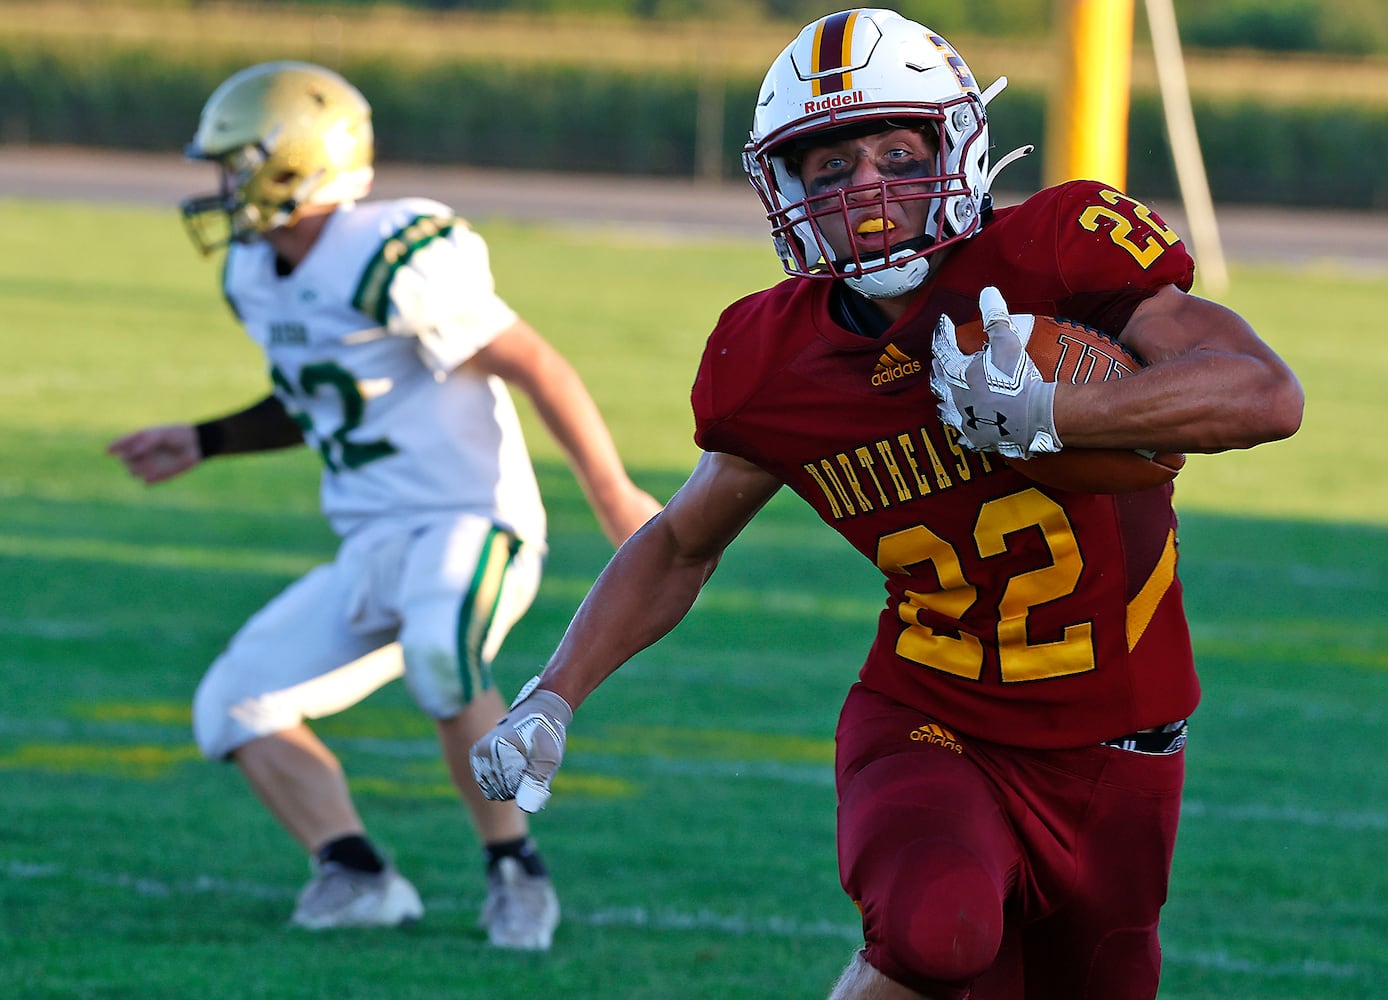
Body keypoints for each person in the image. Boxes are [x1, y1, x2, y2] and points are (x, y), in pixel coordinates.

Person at [469, 8, 1303, 998]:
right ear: (785, 190)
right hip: (932, 717)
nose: (864, 188)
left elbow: (1262, 392)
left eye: (896, 153)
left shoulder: (1054, 257)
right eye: (828, 168)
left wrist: (1058, 409)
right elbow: (682, 541)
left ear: (957, 147)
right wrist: (555, 692)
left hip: (1119, 753)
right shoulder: (771, 357)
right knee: (934, 924)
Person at [107, 60, 660, 948]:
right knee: (234, 702)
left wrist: (611, 493)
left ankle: (515, 871)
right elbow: (326, 392)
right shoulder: (258, 270)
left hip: (473, 520)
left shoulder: (390, 253)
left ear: (297, 161)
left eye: (238, 164)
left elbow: (533, 362)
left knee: (442, 652)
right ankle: (356, 873)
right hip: (371, 537)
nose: (223, 188)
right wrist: (206, 439)